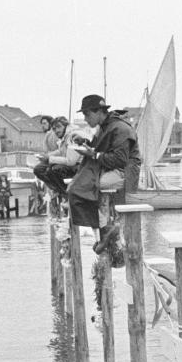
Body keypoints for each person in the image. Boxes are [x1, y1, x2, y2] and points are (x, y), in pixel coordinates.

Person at [62, 94, 141, 251]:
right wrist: (84, 143)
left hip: (125, 171)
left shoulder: (120, 128)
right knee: (81, 186)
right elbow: (100, 148)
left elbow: (119, 159)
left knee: (88, 187)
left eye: (87, 114)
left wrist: (94, 155)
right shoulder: (105, 127)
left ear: (99, 111)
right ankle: (104, 230)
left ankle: (106, 229)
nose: (85, 119)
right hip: (110, 168)